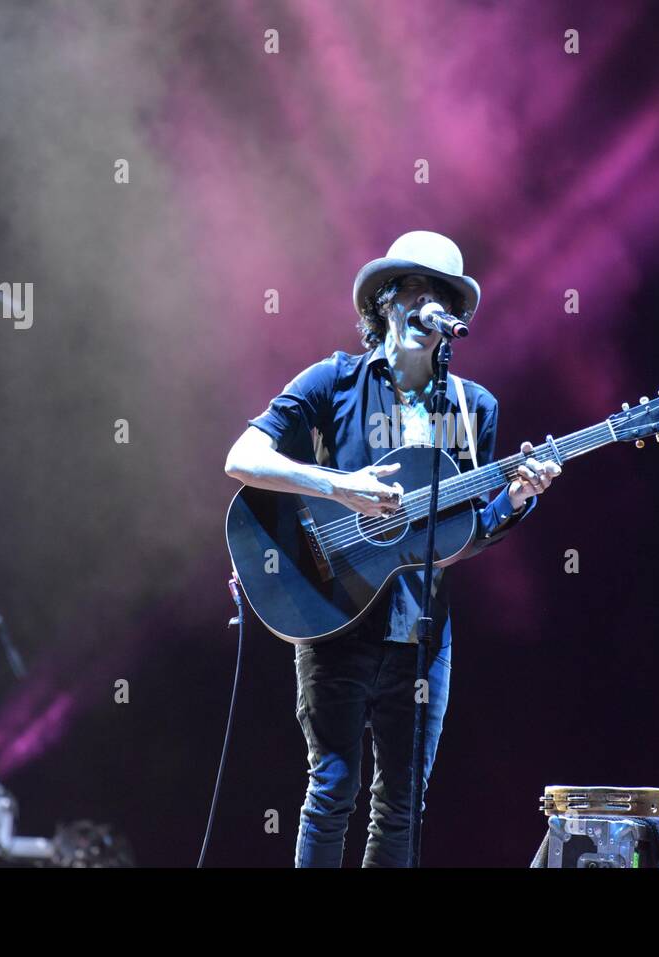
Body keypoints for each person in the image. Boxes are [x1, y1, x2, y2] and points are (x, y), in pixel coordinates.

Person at [224, 230, 561, 866]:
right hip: (335, 616)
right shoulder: (336, 381)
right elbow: (243, 457)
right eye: (412, 289)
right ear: (384, 302)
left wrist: (516, 499)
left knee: (403, 803)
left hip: (422, 635)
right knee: (332, 789)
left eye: (439, 296)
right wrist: (338, 486)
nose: (425, 304)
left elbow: (456, 537)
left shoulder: (472, 408)